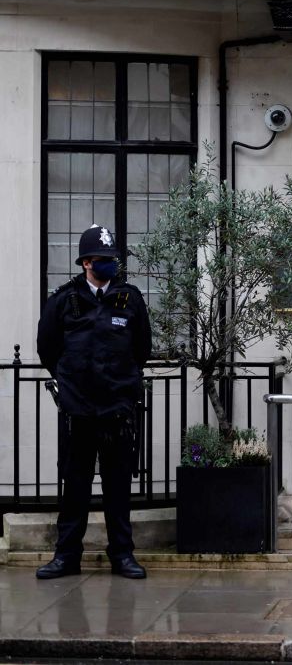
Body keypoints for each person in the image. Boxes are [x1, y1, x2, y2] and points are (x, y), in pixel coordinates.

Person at [35, 224, 151, 580]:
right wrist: (72, 385)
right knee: (76, 487)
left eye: (112, 260)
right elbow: (47, 348)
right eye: (102, 260)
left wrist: (121, 384)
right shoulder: (64, 301)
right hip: (80, 410)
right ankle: (67, 556)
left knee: (118, 487)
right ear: (86, 262)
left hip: (117, 409)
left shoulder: (129, 299)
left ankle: (122, 556)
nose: (109, 266)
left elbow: (141, 349)